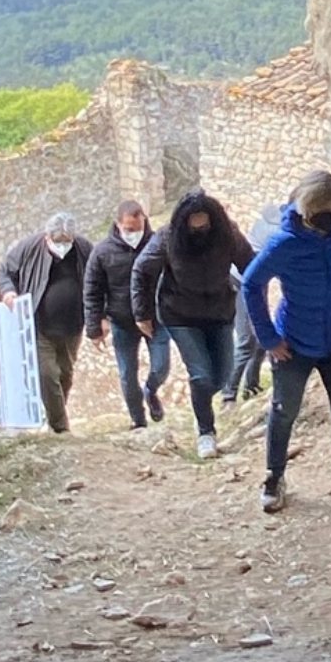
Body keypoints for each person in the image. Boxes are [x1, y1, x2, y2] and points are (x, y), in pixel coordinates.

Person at [241, 171, 331, 541]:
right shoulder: (283, 244)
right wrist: (269, 337)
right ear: (304, 213)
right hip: (294, 344)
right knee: (284, 410)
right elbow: (252, 284)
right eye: (320, 214)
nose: (327, 221)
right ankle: (274, 477)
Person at [131, 189, 255, 460]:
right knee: (200, 374)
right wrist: (142, 313)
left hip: (220, 313)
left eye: (204, 223)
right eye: (193, 223)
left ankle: (200, 402)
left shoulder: (227, 235)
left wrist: (260, 294)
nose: (199, 229)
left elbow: (251, 265)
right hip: (180, 315)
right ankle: (205, 433)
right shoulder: (167, 237)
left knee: (222, 375)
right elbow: (142, 270)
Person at [0, 211, 93, 434]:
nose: (62, 246)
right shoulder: (29, 248)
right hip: (39, 326)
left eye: (66, 242)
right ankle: (60, 428)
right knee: (47, 375)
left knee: (65, 374)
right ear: (47, 237)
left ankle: (54, 417)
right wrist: (9, 292)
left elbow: (97, 279)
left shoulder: (84, 249)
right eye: (58, 242)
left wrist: (99, 316)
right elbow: (4, 272)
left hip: (72, 327)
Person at [84, 200, 171, 429]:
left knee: (161, 367)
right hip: (122, 321)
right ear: (118, 224)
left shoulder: (157, 246)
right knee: (127, 375)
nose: (134, 234)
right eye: (129, 230)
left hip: (156, 319)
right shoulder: (102, 252)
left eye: (139, 229)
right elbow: (92, 290)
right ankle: (138, 420)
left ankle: (151, 391)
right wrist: (95, 326)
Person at [218, 204, 283, 406]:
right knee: (247, 340)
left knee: (261, 337)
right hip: (244, 281)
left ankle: (251, 386)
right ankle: (229, 394)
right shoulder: (278, 229)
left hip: (252, 277)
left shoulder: (269, 220)